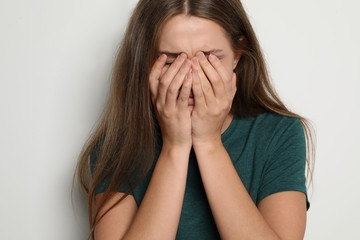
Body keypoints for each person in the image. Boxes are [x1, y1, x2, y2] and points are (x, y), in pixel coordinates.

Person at [74, 0, 316, 239]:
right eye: (171, 62)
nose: (191, 80)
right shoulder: (118, 144)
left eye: (210, 58)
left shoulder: (279, 134)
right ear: (145, 61)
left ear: (238, 54)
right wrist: (175, 146)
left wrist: (209, 143)